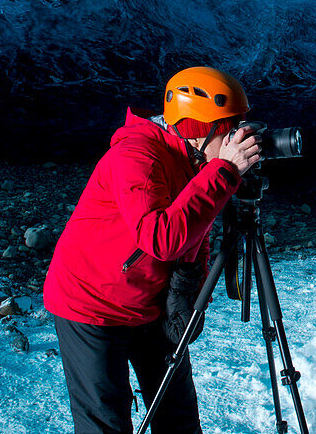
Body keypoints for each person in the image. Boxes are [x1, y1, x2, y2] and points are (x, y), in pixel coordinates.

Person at [44, 66, 262, 434]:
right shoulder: (136, 155)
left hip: (149, 302)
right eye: (227, 127)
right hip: (90, 303)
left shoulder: (194, 160)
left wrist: (184, 299)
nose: (234, 137)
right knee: (106, 423)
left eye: (238, 125)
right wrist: (224, 172)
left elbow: (196, 231)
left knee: (177, 417)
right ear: (197, 127)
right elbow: (159, 238)